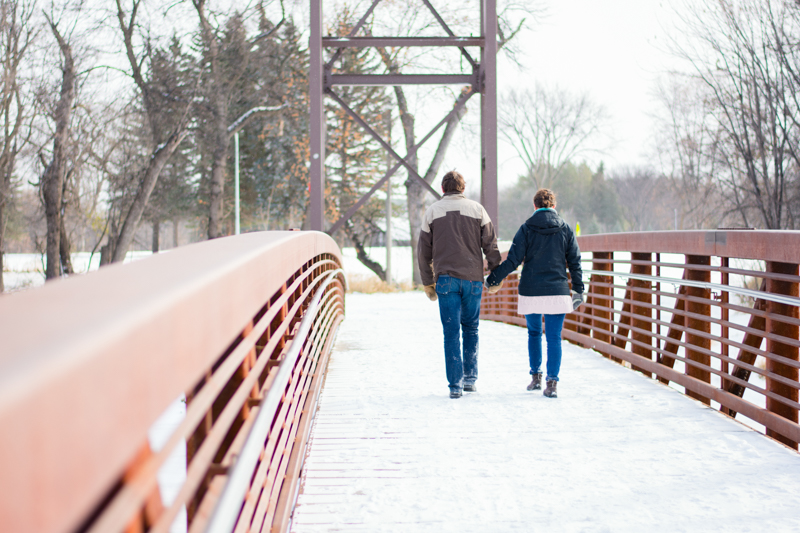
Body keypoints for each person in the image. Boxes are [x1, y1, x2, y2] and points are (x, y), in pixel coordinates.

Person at [485, 188, 584, 399]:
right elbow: (575, 262)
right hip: (557, 291)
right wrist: (578, 290)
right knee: (554, 337)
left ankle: (536, 377)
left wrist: (494, 278)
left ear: (535, 206)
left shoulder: (526, 228)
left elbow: (513, 260)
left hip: (531, 290)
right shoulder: (565, 229)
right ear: (554, 206)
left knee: (534, 333)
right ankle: (552, 383)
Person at [418, 170, 502, 399]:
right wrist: (495, 274)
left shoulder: (433, 212)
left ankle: (455, 385)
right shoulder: (477, 210)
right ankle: (470, 380)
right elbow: (491, 245)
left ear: (443, 189)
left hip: (445, 279)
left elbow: (423, 252)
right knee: (471, 328)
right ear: (463, 189)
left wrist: (428, 282)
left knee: (451, 332)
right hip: (473, 279)